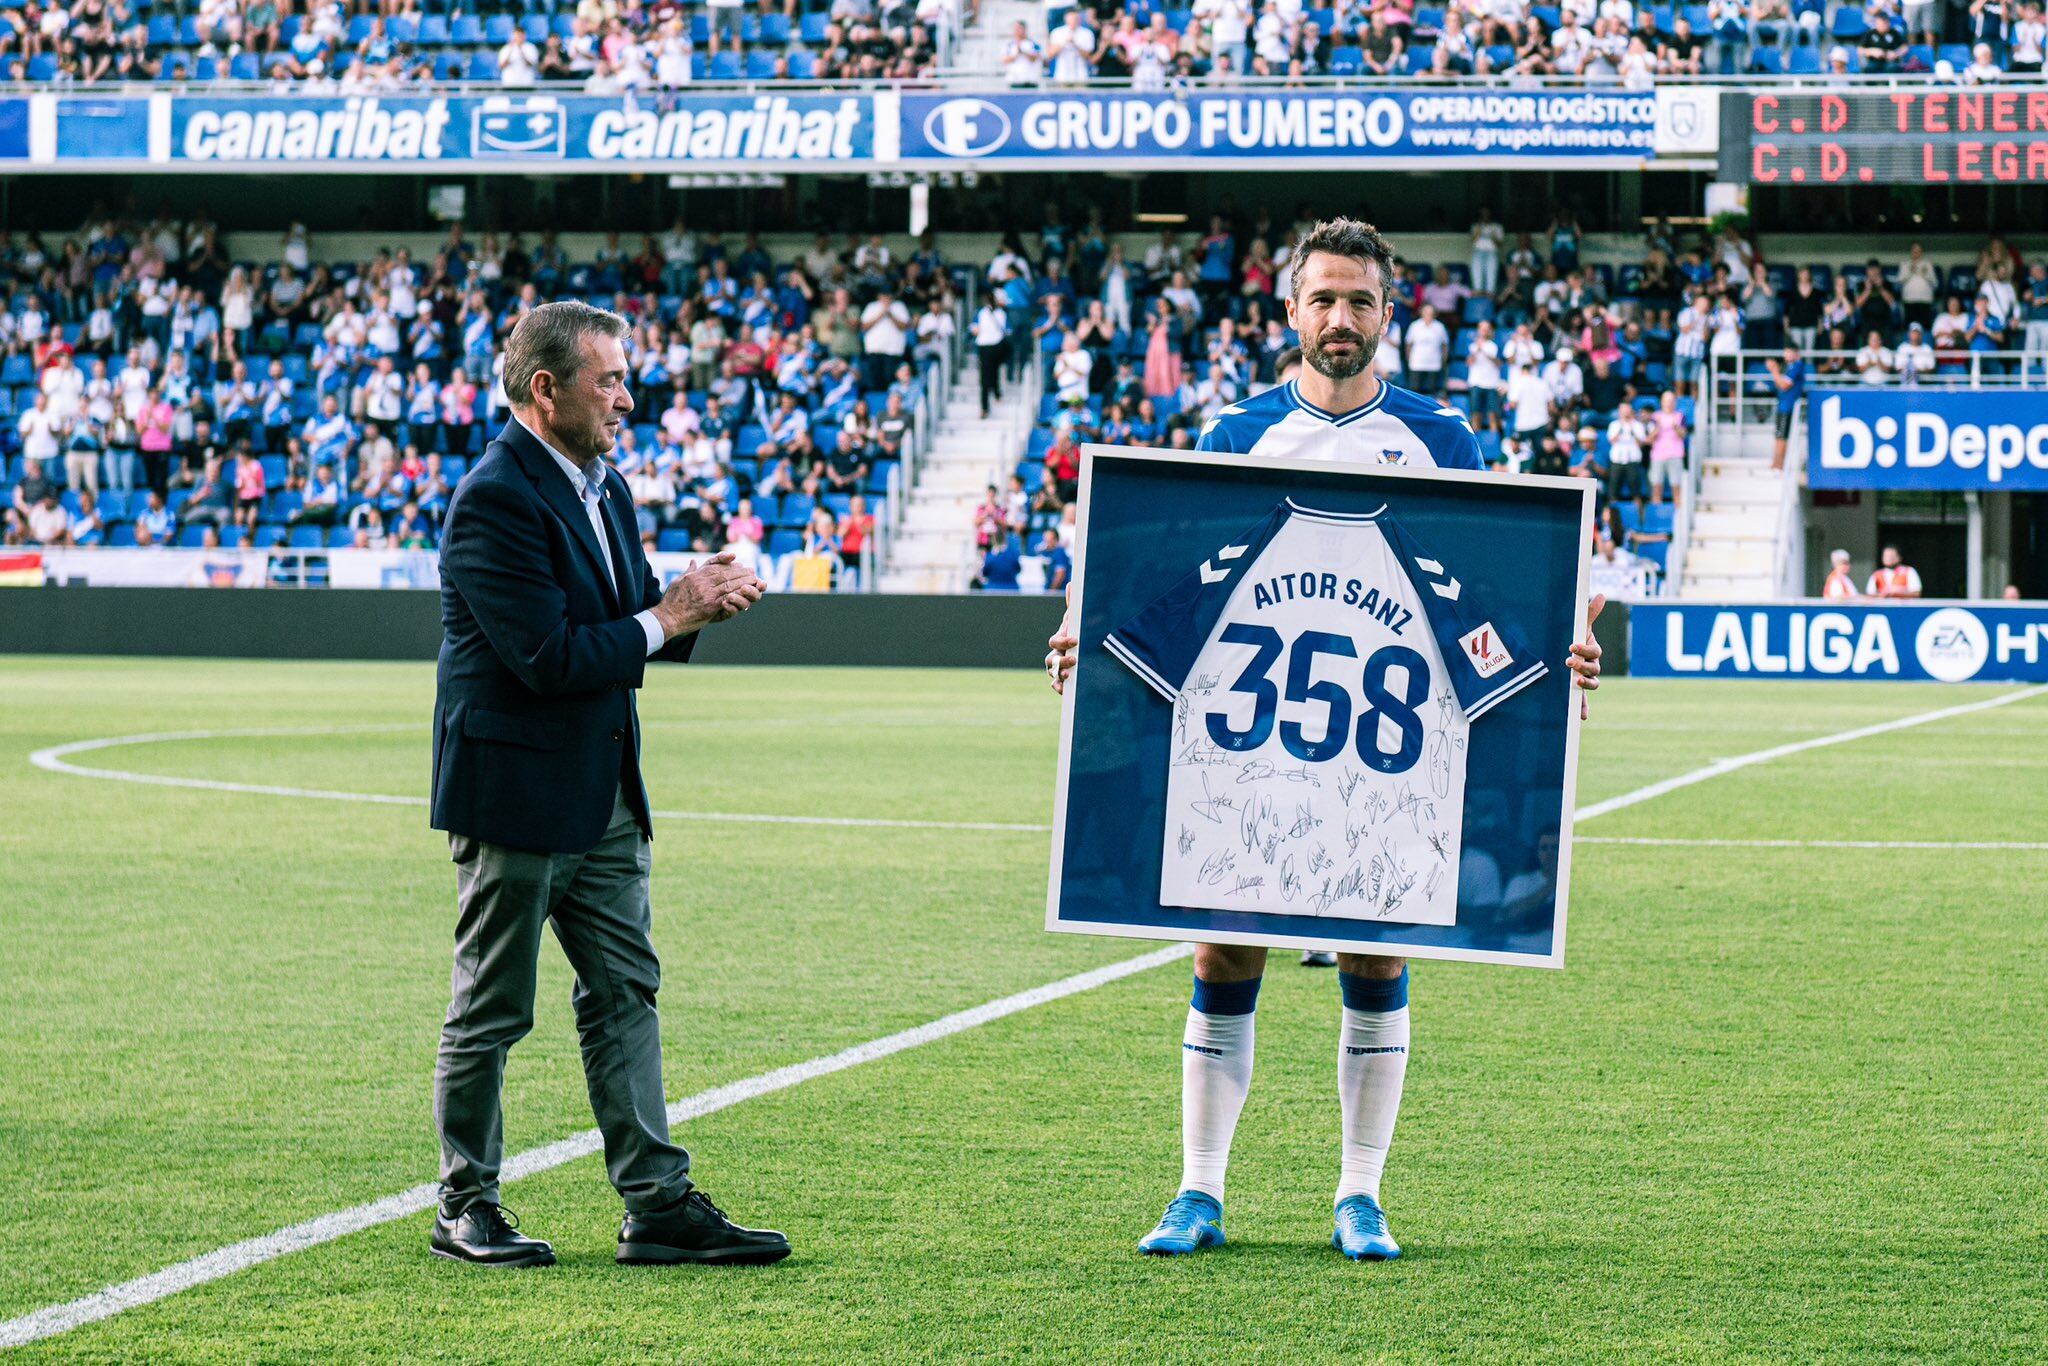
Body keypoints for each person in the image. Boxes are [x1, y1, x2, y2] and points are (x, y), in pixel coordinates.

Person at [1041, 219, 1603, 1265]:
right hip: (1251, 744)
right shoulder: (1234, 432)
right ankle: (1196, 1190)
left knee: (1377, 948)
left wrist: (1546, 650)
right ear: (1288, 310)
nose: (1339, 320)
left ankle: (1359, 1193)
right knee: (1219, 945)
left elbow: (1479, 597)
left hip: (1380, 746)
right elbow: (1175, 582)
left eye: (1359, 302)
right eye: (1322, 300)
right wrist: (1093, 622)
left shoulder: (1442, 441)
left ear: (1387, 318)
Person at [429, 301, 783, 1271]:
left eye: (625, 378)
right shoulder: (494, 497)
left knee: (626, 988)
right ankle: (465, 1204)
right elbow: (546, 656)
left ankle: (656, 1203)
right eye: (608, 380)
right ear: (546, 389)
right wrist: (669, 616)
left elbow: (631, 616)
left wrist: (694, 597)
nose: (626, 397)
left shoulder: (604, 484)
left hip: (602, 793)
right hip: (514, 796)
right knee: (493, 1007)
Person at [1766, 342, 1806, 471]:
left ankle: (1780, 465)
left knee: (1783, 436)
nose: (1786, 354)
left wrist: (1774, 370)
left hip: (1788, 407)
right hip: (1782, 405)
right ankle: (1775, 464)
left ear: (1796, 353)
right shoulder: (1789, 367)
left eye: (1789, 352)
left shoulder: (1797, 366)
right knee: (1778, 435)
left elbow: (1783, 385)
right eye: (1785, 351)